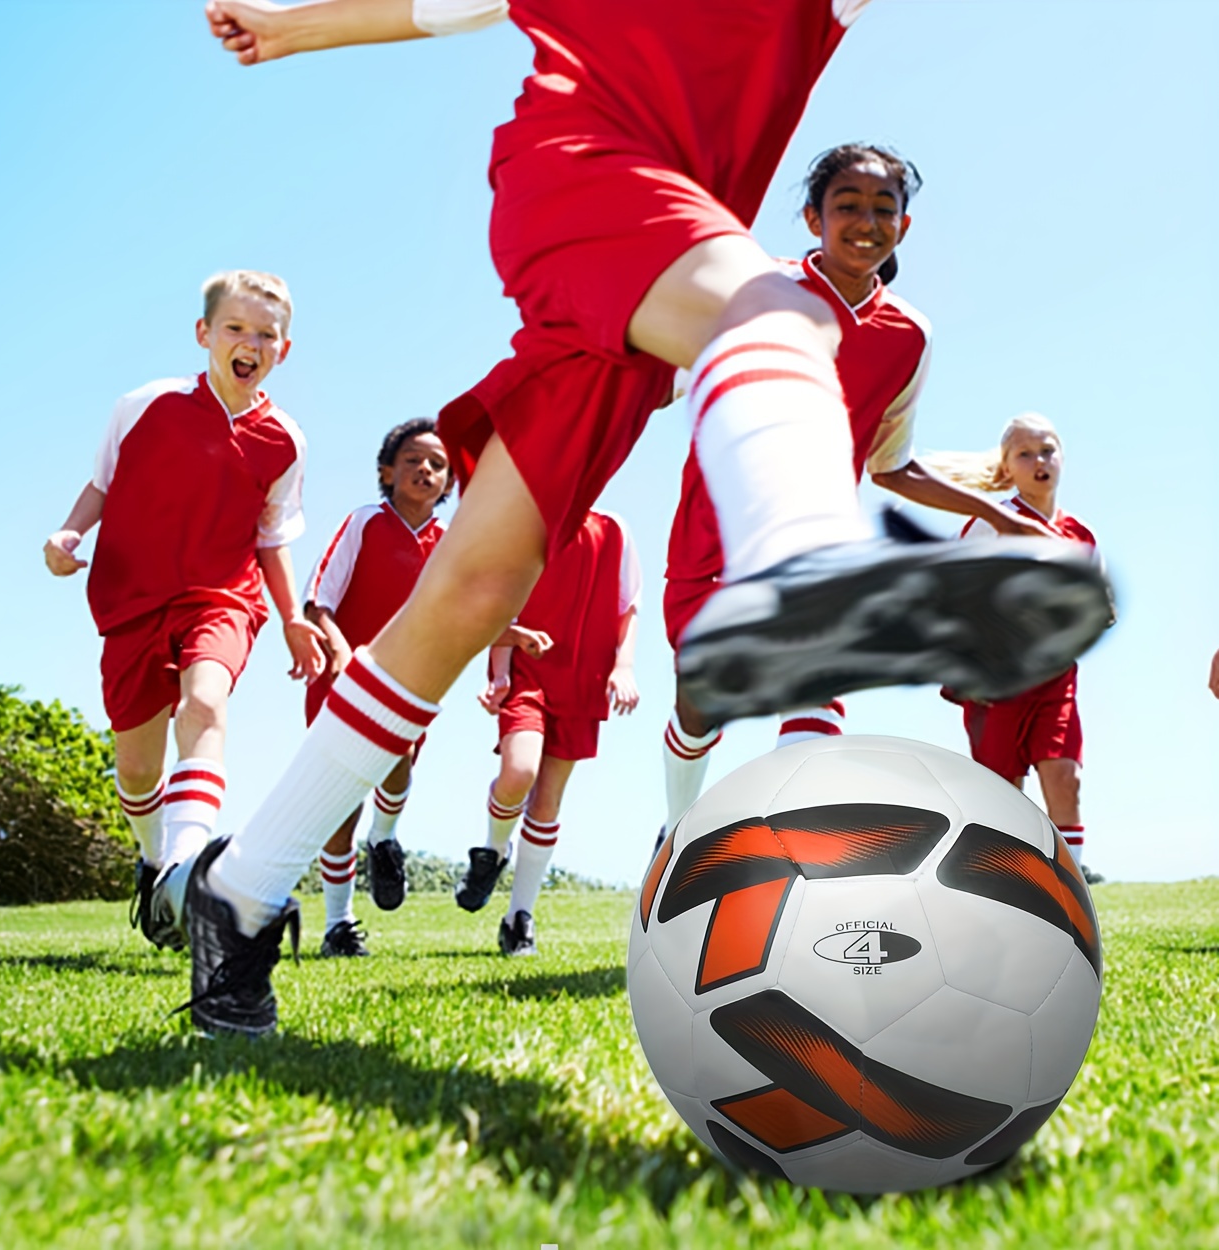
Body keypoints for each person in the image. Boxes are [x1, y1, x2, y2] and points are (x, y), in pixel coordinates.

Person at [189, 0, 1112, 1035]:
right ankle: (805, 564)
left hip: (649, 288)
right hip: (579, 170)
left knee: (469, 594)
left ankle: (240, 891)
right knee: (783, 314)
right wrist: (284, 28)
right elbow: (442, 4)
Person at [657, 145, 1055, 846]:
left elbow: (890, 465)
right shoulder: (754, 292)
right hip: (711, 542)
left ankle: (784, 871)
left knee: (817, 700)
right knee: (700, 707)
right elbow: (655, 383)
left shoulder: (911, 337)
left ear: (904, 226)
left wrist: (1000, 515)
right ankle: (676, 830)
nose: (866, 221)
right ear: (814, 216)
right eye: (847, 205)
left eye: (884, 208)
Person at [43, 269, 325, 950]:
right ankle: (153, 862)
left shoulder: (285, 440)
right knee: (138, 769)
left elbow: (271, 537)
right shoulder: (144, 404)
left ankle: (186, 865)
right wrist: (68, 534)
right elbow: (101, 483)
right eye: (235, 328)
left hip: (222, 598)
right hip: (131, 601)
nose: (249, 343)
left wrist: (290, 617)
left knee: (205, 704)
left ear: (283, 351)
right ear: (204, 334)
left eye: (266, 334)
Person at [933, 414, 1108, 884]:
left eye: (1047, 450)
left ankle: (1072, 884)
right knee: (1003, 791)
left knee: (1066, 778)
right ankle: (1008, 885)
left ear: (1062, 459)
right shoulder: (991, 524)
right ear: (1007, 467)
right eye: (1025, 454)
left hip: (1055, 679)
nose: (1039, 461)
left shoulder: (1081, 536)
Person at [302, 420, 452, 956]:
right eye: (412, 459)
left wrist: (513, 635)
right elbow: (317, 600)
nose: (425, 470)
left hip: (409, 686)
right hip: (340, 681)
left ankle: (384, 837)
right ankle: (337, 926)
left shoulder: (450, 545)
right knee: (339, 802)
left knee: (399, 764)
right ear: (387, 472)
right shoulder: (364, 522)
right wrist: (341, 652)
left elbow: (458, 617)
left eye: (437, 463)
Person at [461, 510, 641, 955]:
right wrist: (499, 675)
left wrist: (623, 666)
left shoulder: (614, 530)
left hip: (585, 677)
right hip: (529, 673)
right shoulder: (527, 524)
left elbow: (628, 606)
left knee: (547, 800)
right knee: (519, 771)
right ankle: (493, 851)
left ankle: (519, 917)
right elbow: (501, 602)